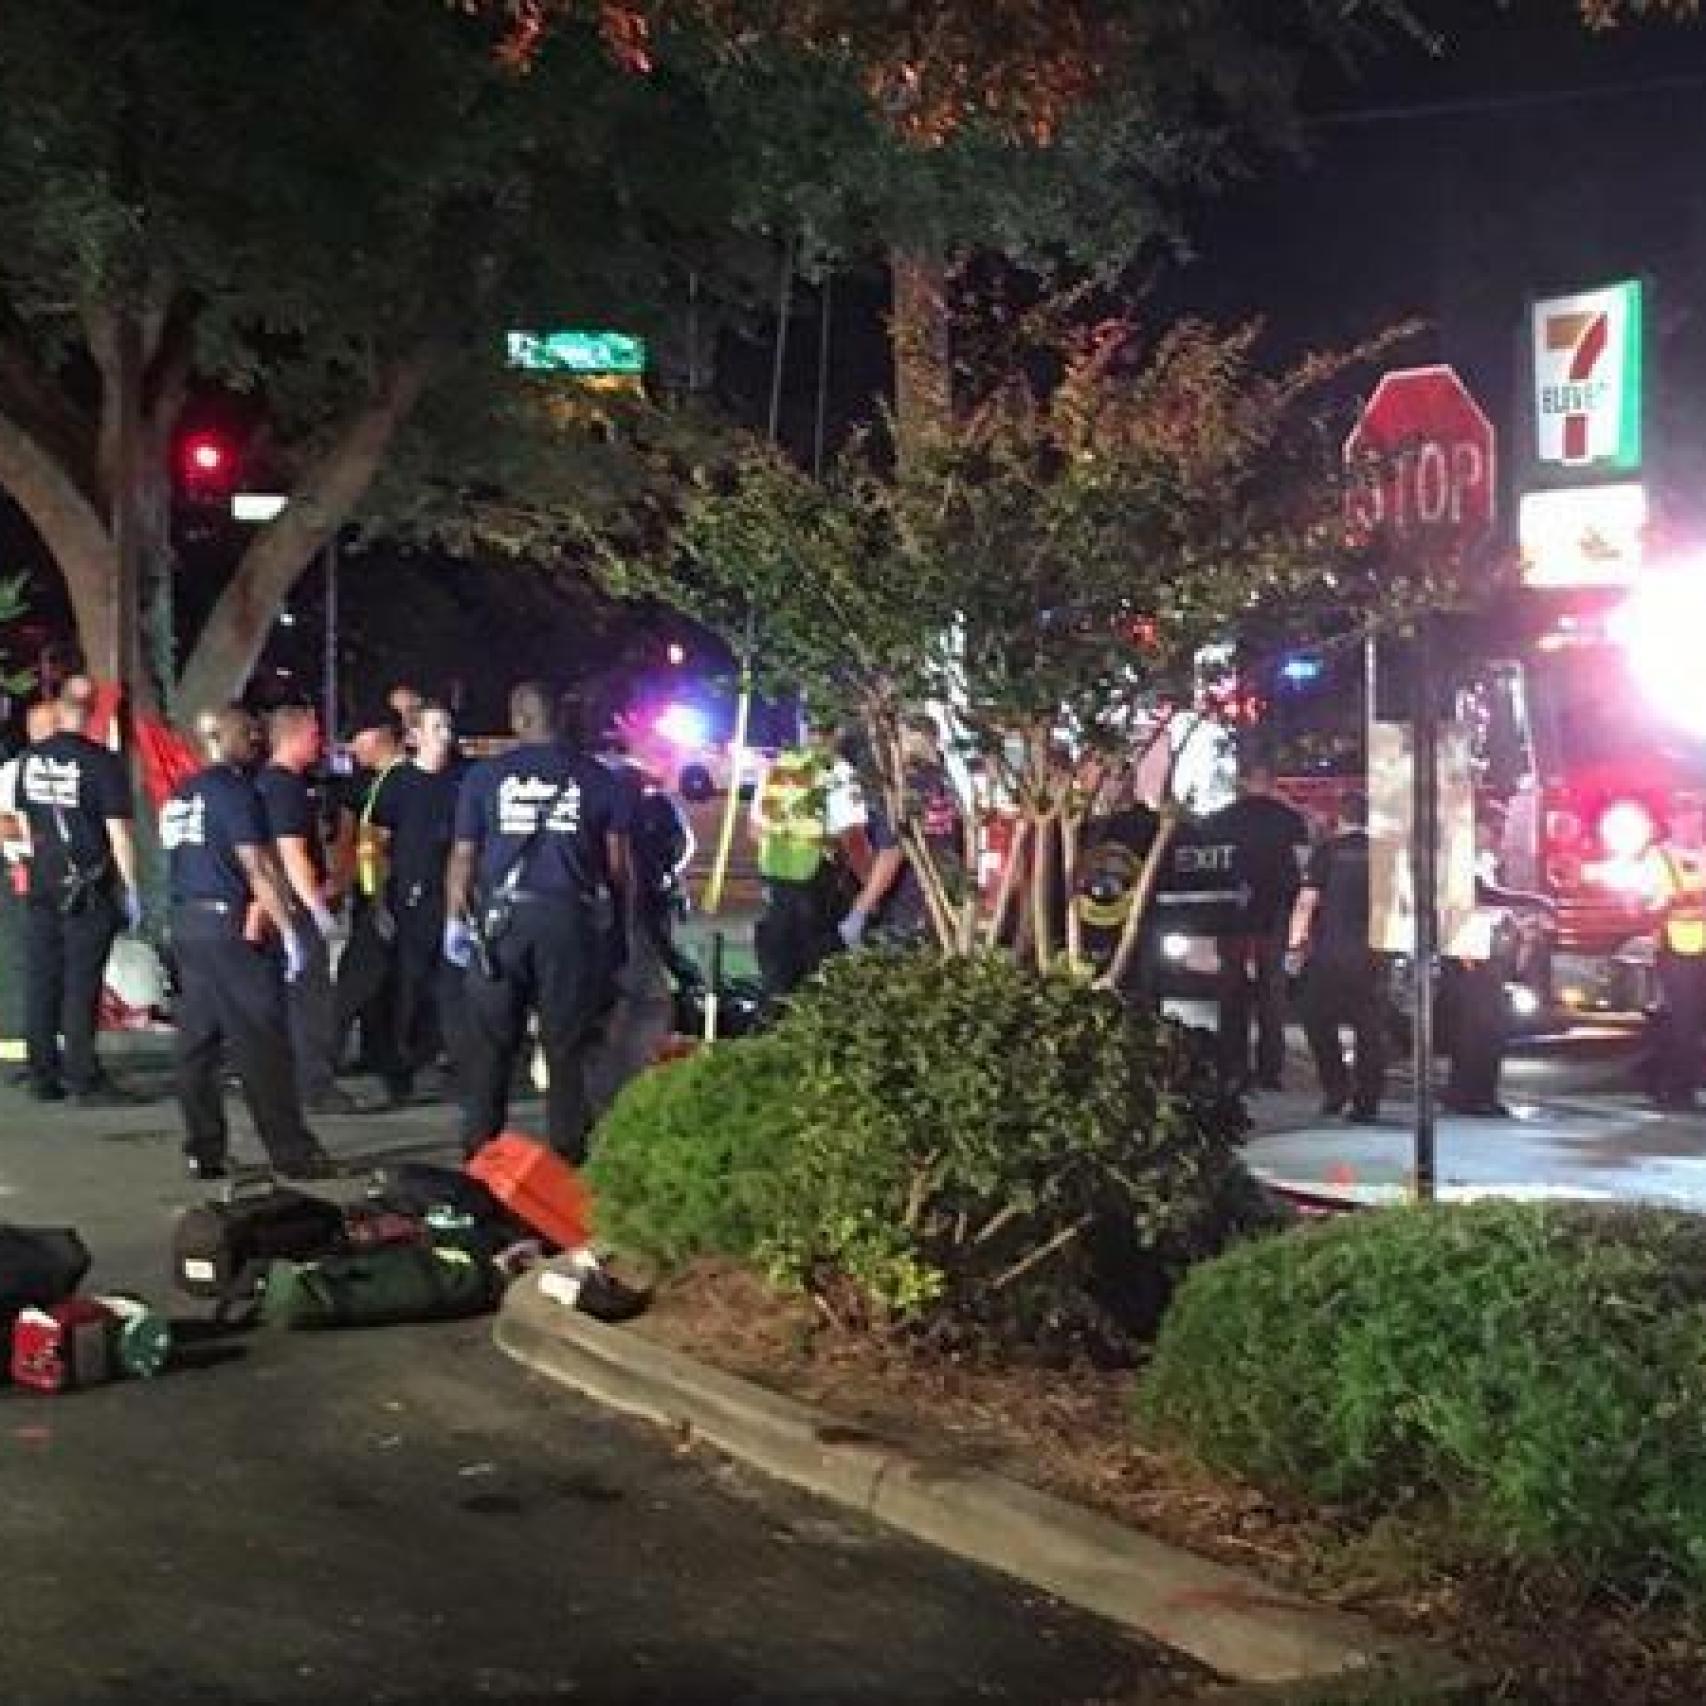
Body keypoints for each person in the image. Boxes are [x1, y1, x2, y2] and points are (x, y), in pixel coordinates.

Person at [446, 680, 632, 1161]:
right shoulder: (598, 778)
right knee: (565, 1046)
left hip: (503, 922)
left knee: (491, 1045)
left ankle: (481, 1152)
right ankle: (568, 1156)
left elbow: (463, 856)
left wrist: (455, 918)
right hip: (569, 922)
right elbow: (618, 867)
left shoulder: (485, 778)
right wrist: (619, 925)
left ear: (519, 720)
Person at [162, 706, 335, 1180]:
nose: (254, 738)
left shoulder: (180, 795)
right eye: (245, 729)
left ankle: (203, 1148)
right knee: (262, 1042)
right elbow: (257, 865)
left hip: (188, 924)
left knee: (197, 1043)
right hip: (230, 928)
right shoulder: (233, 791)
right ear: (218, 735)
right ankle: (291, 1152)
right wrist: (289, 929)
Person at [16, 676, 143, 1105]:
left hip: (42, 882)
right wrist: (131, 888)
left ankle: (41, 1074)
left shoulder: (30, 760)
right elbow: (118, 833)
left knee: (42, 980)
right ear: (90, 715)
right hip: (87, 888)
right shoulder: (101, 763)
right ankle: (84, 1077)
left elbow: (28, 819)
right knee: (80, 983)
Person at [256, 705, 363, 1115]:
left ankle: (283, 1080)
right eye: (314, 734)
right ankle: (315, 1085)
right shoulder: (285, 788)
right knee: (310, 999)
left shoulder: (262, 784)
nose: (319, 742)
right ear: (294, 737)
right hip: (295, 908)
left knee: (284, 998)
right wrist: (318, 909)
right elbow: (292, 852)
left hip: (273, 906)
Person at [367, 701, 464, 1105]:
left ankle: (448, 1060)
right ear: (416, 736)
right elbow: (373, 843)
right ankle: (400, 1066)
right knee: (408, 983)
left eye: (448, 726)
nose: (445, 734)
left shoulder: (464, 778)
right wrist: (376, 898)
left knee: (453, 984)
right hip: (410, 895)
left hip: (455, 895)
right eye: (436, 727)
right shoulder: (398, 782)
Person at [1209, 762, 1309, 1091]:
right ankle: (1269, 1069)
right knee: (1271, 996)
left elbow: (1210, 864)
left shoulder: (1222, 820)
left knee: (1232, 993)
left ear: (1244, 782)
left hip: (1233, 918)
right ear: (1271, 782)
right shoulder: (1289, 821)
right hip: (1274, 918)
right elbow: (1300, 871)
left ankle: (1231, 1064)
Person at [1290, 790, 1385, 1121]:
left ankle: (1335, 1089)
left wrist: (1296, 943)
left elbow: (1306, 902)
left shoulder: (1326, 852)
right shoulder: (1384, 853)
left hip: (1330, 951)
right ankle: (1367, 1101)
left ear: (1340, 817)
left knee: (1317, 1019)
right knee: (1369, 1028)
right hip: (1373, 952)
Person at [749, 721, 860, 1003]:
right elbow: (850, 836)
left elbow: (755, 830)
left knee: (780, 978)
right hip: (818, 884)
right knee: (819, 976)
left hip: (777, 881)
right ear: (837, 733)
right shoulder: (837, 771)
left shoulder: (780, 767)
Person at [842, 714, 966, 949]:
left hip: (908, 903)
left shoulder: (908, 788)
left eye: (898, 737)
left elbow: (892, 852)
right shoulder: (942, 779)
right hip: (941, 897)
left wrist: (860, 910)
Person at [333, 711, 408, 1082]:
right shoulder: (362, 783)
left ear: (378, 735)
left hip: (390, 896)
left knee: (363, 980)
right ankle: (377, 1053)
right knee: (368, 981)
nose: (351, 748)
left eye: (356, 739)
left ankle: (388, 1057)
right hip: (371, 895)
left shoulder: (404, 780)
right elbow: (353, 841)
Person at [1642, 809, 1706, 1113]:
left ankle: (1676, 1080)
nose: (1694, 826)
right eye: (1687, 819)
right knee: (1684, 1019)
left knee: (1694, 1020)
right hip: (1676, 947)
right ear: (1672, 821)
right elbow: (1649, 902)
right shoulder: (1660, 858)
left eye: (1698, 820)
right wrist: (1673, 901)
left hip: (1702, 946)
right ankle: (1676, 1086)